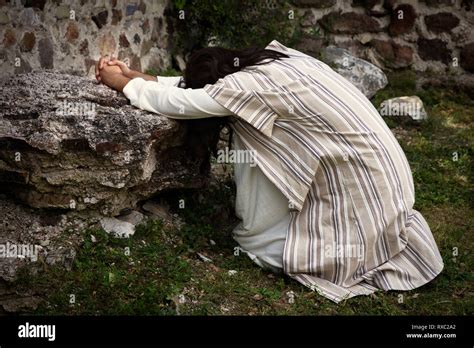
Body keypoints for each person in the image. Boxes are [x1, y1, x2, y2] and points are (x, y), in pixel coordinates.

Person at [95, 40, 444, 303]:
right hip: (387, 187)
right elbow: (203, 92)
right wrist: (141, 76)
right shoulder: (277, 60)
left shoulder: (249, 89)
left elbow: (187, 102)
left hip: (363, 194)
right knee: (251, 125)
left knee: (250, 146)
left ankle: (278, 237)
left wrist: (122, 84)